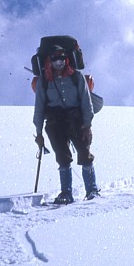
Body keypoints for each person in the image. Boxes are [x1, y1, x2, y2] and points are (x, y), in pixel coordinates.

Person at [33, 45, 99, 203]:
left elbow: (86, 102)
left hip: (77, 120)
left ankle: (92, 190)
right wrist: (39, 133)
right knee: (62, 157)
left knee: (85, 153)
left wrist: (87, 125)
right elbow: (39, 108)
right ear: (50, 60)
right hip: (55, 123)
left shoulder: (76, 76)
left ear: (66, 59)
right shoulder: (44, 80)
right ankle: (66, 193)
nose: (59, 62)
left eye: (62, 58)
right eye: (55, 59)